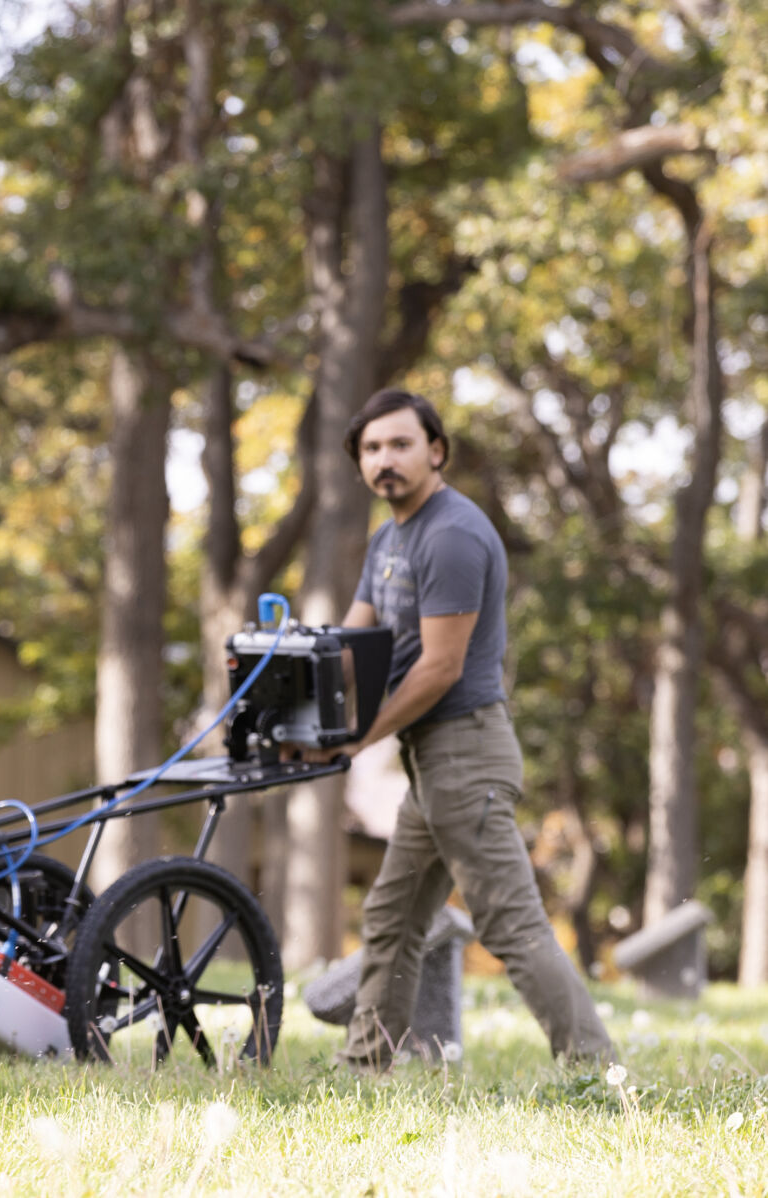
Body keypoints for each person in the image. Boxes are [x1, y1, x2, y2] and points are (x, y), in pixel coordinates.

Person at [300, 388, 611, 1073]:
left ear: (434, 451)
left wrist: (357, 739)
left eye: (400, 444)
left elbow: (439, 669)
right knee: (391, 919)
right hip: (430, 764)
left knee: (509, 924)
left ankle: (596, 1074)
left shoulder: (451, 535)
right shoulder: (389, 538)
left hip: (464, 750)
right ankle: (365, 1069)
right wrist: (292, 698)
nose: (385, 459)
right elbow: (353, 643)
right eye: (372, 448)